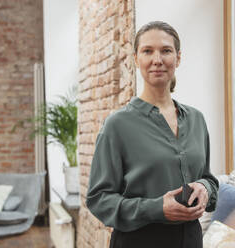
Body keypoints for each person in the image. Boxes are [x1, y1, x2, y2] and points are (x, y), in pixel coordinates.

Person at [86, 21, 219, 248]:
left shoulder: (196, 119)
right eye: (148, 51)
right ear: (136, 59)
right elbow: (99, 199)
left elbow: (208, 178)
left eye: (166, 51)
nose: (157, 59)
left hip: (191, 241)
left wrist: (205, 189)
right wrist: (157, 208)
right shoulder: (117, 125)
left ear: (178, 58)